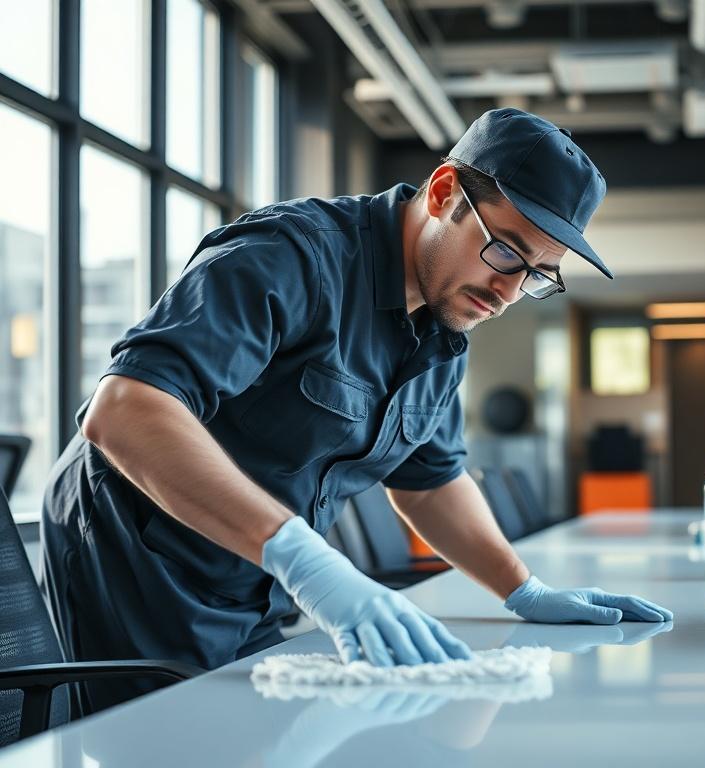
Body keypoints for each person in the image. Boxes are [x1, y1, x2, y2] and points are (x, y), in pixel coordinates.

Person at [40, 108, 672, 716]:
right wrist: (306, 560)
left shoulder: (446, 321)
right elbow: (123, 409)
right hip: (142, 564)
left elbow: (430, 485)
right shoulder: (291, 255)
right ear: (444, 191)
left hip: (256, 581)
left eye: (536, 274)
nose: (508, 292)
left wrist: (522, 588)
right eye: (506, 250)